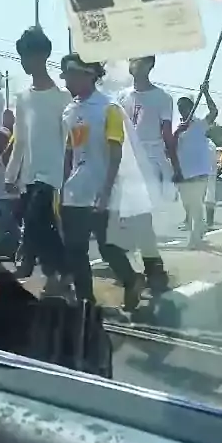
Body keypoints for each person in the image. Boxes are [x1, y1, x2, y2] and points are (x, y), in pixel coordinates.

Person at [60, 54, 144, 312]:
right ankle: (86, 300)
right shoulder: (70, 110)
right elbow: (70, 153)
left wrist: (106, 192)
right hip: (75, 191)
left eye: (70, 74)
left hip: (101, 190)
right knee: (75, 249)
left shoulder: (109, 108)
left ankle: (131, 280)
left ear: (88, 75)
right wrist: (63, 186)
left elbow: (115, 152)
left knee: (107, 247)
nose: (66, 80)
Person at [5, 26, 72, 295]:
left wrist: (68, 176)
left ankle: (55, 273)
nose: (24, 61)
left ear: (43, 55)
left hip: (53, 175)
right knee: (40, 226)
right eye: (21, 56)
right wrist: (11, 175)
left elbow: (69, 142)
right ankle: (60, 273)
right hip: (30, 175)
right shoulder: (22, 98)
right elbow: (20, 140)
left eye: (28, 55)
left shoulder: (63, 98)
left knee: (35, 222)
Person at [118, 55, 175, 291]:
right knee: (126, 219)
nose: (134, 64)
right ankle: (145, 268)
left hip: (150, 161)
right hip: (126, 162)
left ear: (150, 65)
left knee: (141, 217)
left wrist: (175, 166)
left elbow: (167, 134)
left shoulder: (162, 98)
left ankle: (153, 269)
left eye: (139, 60)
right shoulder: (122, 96)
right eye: (131, 60)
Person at [174, 84, 218, 248]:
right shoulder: (175, 126)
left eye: (186, 105)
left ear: (192, 106)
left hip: (200, 171)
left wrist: (206, 93)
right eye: (180, 105)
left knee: (196, 204)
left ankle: (195, 238)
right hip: (182, 172)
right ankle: (200, 227)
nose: (182, 108)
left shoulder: (200, 124)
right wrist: (178, 132)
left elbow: (214, 111)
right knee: (188, 205)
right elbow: (169, 147)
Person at [0, 128, 21, 258]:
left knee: (0, 227)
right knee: (13, 228)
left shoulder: (10, 156)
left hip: (8, 197)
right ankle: (28, 249)